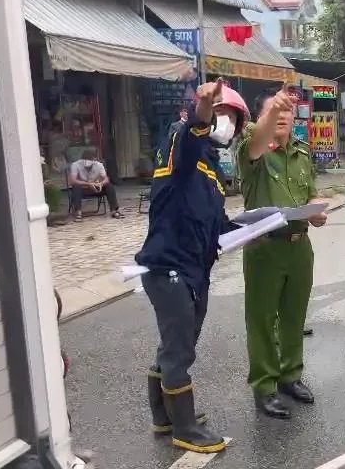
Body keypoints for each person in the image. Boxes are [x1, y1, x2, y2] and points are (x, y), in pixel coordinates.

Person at [135, 79, 247, 453]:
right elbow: (189, 136)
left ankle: (163, 416)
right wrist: (202, 113)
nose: (226, 123)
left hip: (194, 273)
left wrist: (262, 226)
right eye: (221, 114)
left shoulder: (211, 170)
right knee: (179, 351)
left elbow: (216, 225)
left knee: (176, 344)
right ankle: (184, 427)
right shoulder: (180, 150)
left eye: (233, 118)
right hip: (169, 269)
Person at [238, 84, 328, 419]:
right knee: (262, 321)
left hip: (298, 247)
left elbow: (312, 197)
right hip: (265, 249)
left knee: (294, 318)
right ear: (261, 117)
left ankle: (290, 375)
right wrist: (272, 110)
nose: (282, 117)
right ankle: (264, 386)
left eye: (287, 112)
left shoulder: (302, 154)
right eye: (274, 111)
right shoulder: (254, 151)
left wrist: (316, 211)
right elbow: (256, 143)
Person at [68, 149, 123, 221]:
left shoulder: (98, 165)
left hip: (96, 188)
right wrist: (88, 184)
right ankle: (78, 212)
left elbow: (106, 178)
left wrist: (101, 183)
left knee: (109, 185)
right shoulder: (76, 165)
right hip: (83, 189)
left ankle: (114, 210)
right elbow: (73, 181)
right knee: (76, 187)